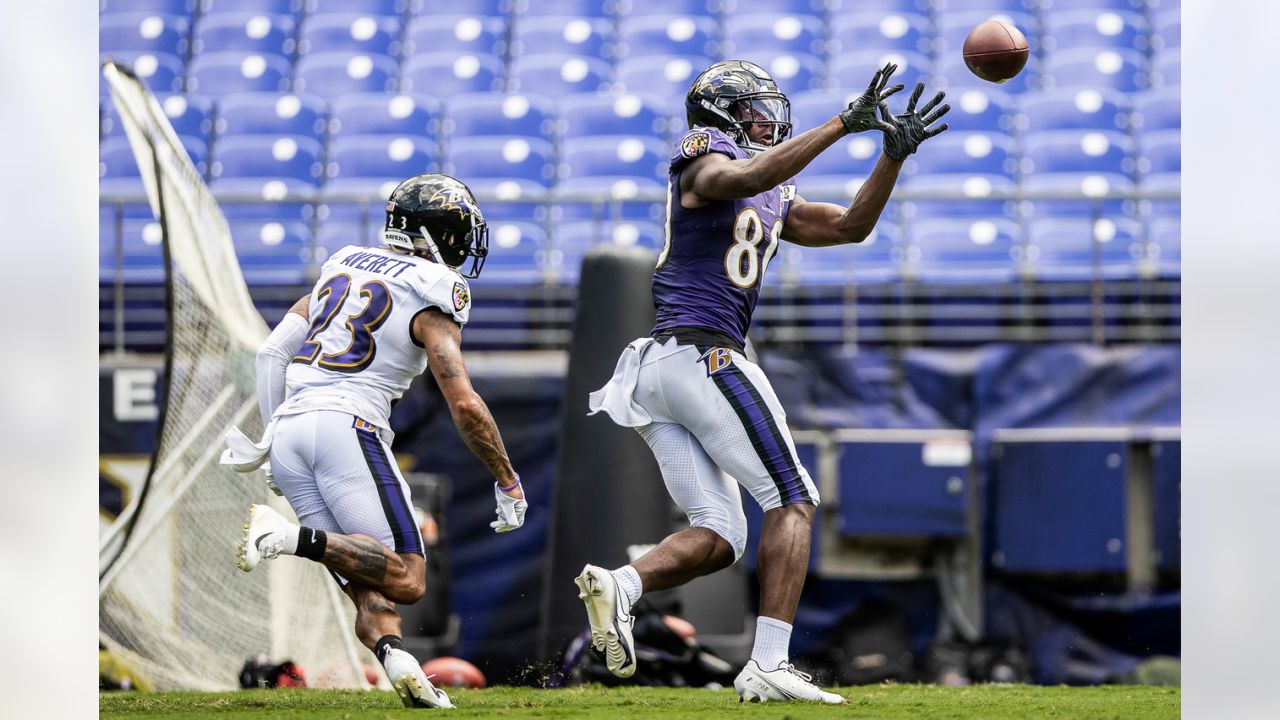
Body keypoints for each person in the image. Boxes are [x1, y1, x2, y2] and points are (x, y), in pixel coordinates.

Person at [578, 60, 949, 704]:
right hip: (703, 355)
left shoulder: (772, 189)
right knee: (793, 499)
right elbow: (744, 174)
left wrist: (889, 158)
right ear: (723, 113)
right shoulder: (704, 152)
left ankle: (623, 586)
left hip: (670, 369)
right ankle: (769, 663)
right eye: (753, 109)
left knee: (720, 535)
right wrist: (841, 124)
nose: (766, 119)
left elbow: (847, 227)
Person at [220, 173, 527, 709]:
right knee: (408, 576)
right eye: (456, 231)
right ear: (432, 233)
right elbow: (464, 403)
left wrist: (271, 437)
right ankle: (286, 538)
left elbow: (271, 354)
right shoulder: (435, 290)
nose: (461, 244)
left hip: (292, 428)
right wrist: (506, 478)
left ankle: (397, 661)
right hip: (347, 427)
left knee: (371, 575)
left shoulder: (345, 262)